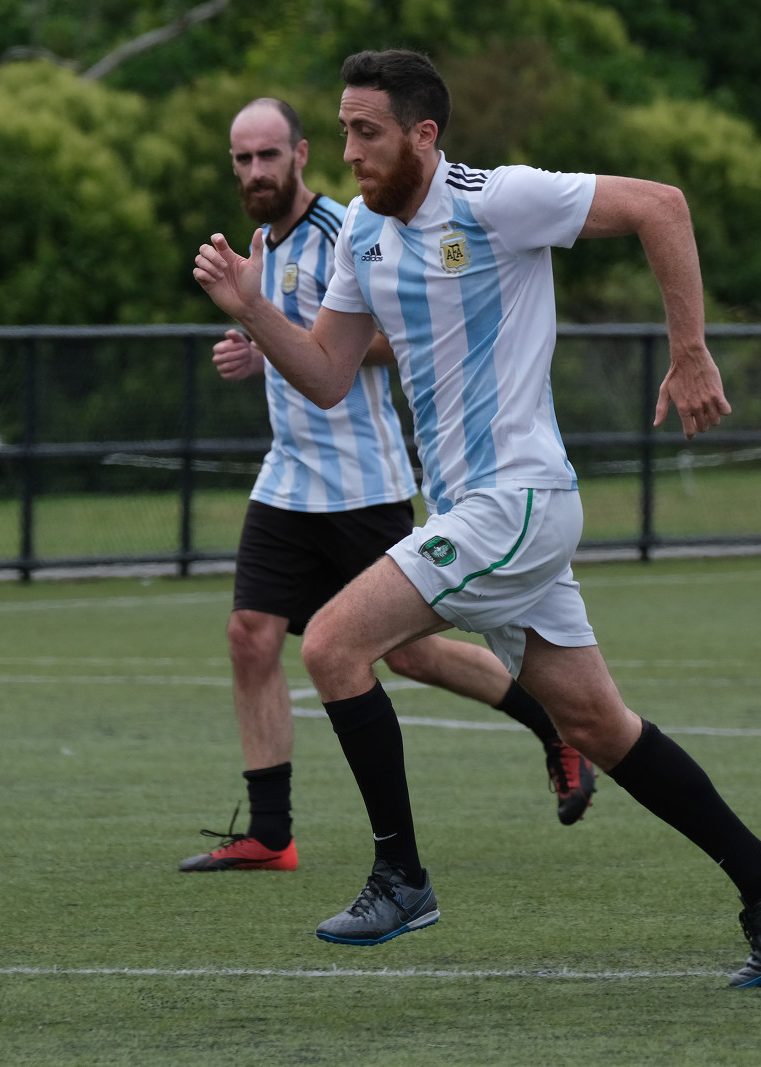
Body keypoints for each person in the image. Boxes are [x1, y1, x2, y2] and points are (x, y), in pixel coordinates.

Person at [193, 53, 761, 987]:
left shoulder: (497, 200)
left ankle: (401, 877)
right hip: (479, 510)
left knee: (329, 643)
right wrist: (253, 307)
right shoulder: (362, 231)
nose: (351, 152)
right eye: (346, 129)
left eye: (367, 132)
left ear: (424, 136)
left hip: (518, 500)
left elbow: (663, 206)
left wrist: (690, 350)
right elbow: (326, 374)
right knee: (598, 724)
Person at [180, 98, 597, 875]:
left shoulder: (348, 226)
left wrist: (278, 341)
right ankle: (271, 832)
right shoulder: (260, 244)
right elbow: (289, 336)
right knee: (250, 635)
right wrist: (255, 345)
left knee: (410, 655)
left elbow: (393, 335)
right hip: (289, 476)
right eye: (242, 159)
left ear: (302, 154)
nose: (256, 171)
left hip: (361, 479)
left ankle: (558, 723)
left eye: (268, 155)